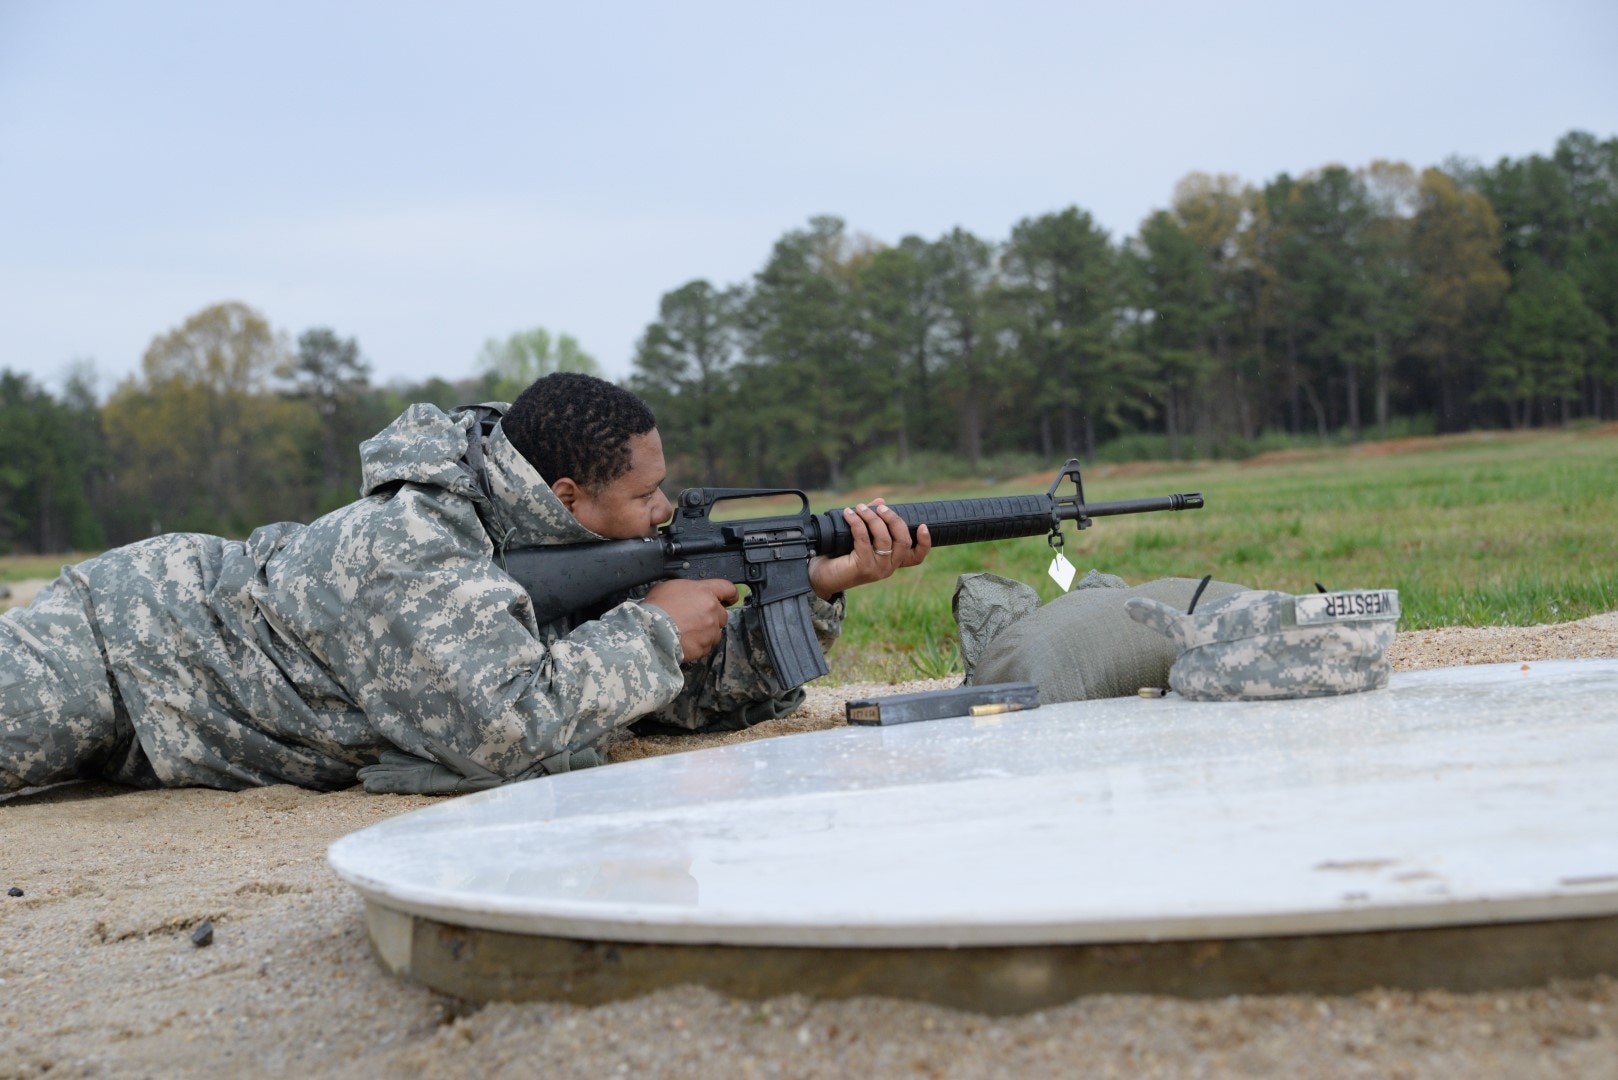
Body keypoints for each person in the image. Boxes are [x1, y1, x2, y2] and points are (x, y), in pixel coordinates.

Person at [0, 373, 929, 795]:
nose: (665, 511)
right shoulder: (416, 541)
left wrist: (806, 590)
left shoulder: (570, 546)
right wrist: (650, 633)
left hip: (182, 739)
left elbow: (672, 705)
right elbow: (499, 733)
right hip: (124, 642)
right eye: (645, 495)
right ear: (567, 497)